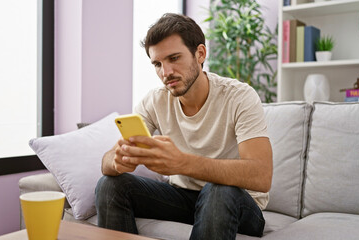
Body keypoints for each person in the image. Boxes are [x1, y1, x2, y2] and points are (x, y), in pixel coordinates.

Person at [95, 13, 272, 240]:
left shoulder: (239, 97)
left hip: (236, 203)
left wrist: (182, 163)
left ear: (200, 54)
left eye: (174, 58)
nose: (165, 72)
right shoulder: (155, 100)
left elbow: (261, 175)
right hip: (183, 197)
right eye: (157, 64)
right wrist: (116, 161)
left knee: (218, 191)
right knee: (110, 185)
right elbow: (107, 162)